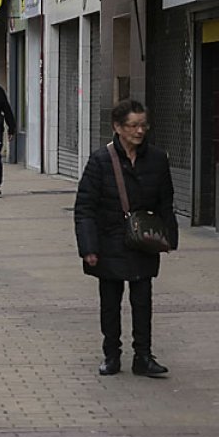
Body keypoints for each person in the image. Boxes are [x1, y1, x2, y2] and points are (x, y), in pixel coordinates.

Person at [74, 100, 177, 377]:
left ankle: (143, 356)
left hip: (142, 240)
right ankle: (111, 354)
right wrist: (88, 248)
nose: (139, 131)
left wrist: (168, 237)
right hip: (108, 240)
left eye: (143, 125)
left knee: (143, 299)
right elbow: (84, 207)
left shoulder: (157, 158)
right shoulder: (100, 160)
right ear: (117, 127)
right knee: (110, 301)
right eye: (133, 125)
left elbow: (167, 201)